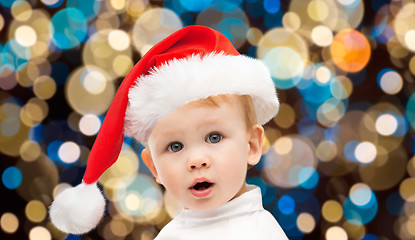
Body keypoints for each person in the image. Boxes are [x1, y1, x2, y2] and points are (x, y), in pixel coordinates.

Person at [49, 25, 288, 239]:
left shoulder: (260, 232)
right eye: (175, 146)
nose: (196, 161)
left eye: (214, 137)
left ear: (252, 146)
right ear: (154, 167)